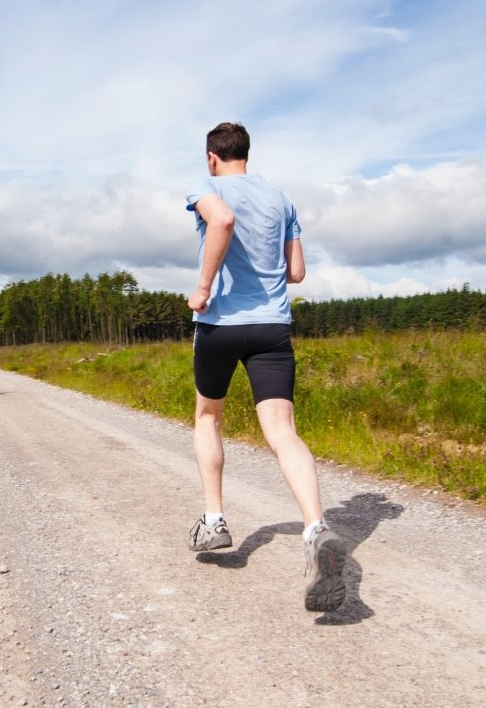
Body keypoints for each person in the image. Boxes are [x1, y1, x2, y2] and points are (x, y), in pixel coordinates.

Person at [183, 121, 346, 612]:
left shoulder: (206, 187)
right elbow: (296, 271)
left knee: (208, 416)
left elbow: (222, 221)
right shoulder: (280, 198)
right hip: (272, 327)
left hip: (219, 325)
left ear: (212, 157)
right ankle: (315, 527)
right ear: (246, 154)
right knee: (282, 431)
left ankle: (214, 520)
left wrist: (204, 288)